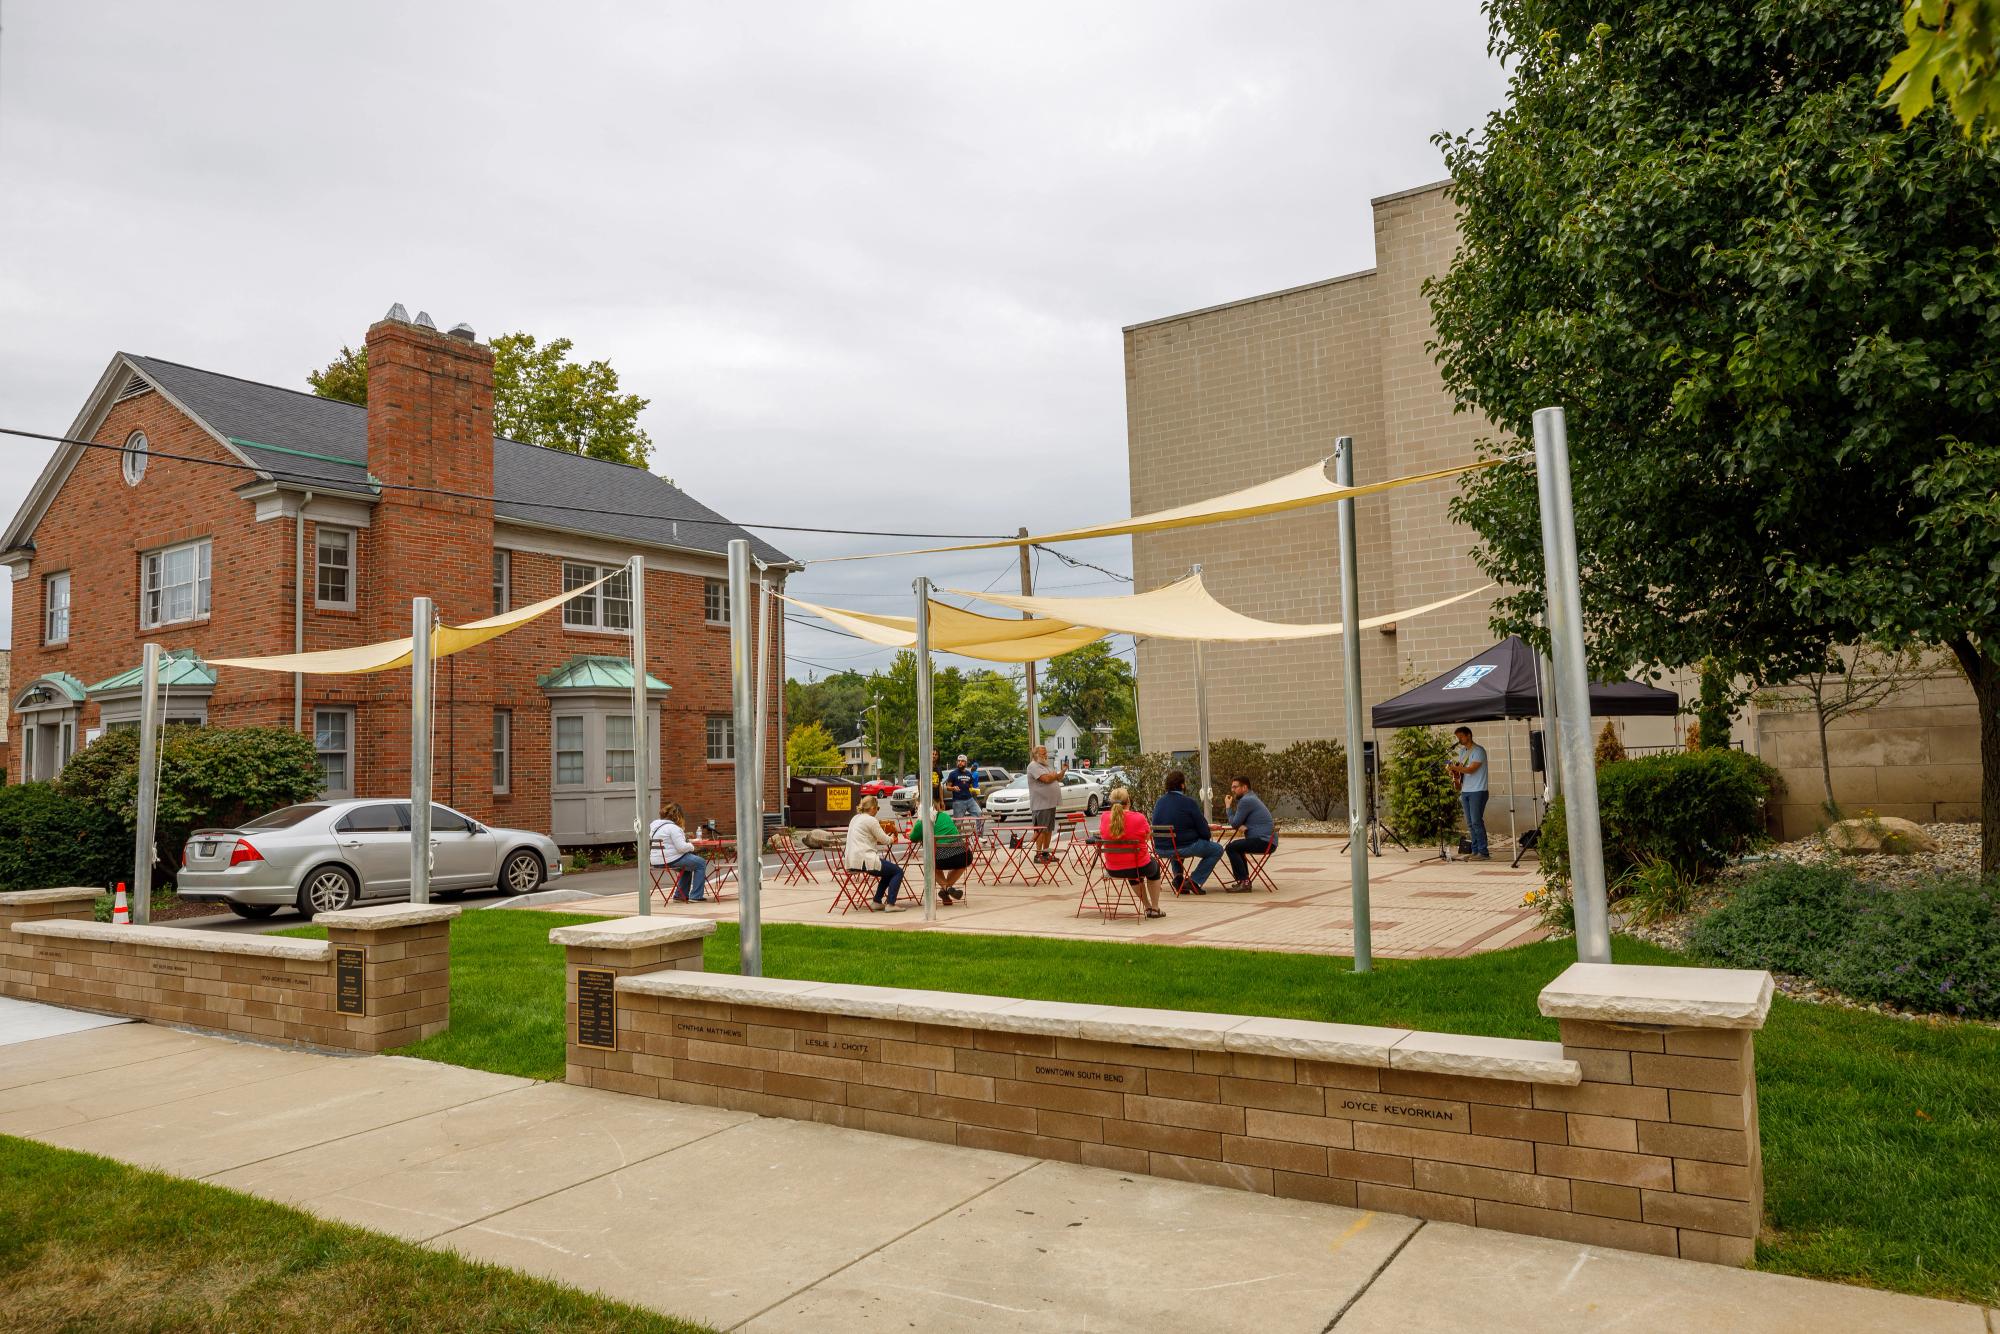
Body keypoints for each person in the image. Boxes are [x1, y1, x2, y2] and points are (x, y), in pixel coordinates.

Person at [1150, 769, 1224, 894]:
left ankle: (1178, 878)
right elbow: (1203, 830)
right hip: (1183, 846)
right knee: (1217, 849)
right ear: (1182, 785)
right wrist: (1205, 834)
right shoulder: (1188, 802)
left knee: (1175, 843)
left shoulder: (1159, 802)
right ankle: (1194, 881)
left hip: (1160, 848)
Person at [1098, 786, 1165, 919]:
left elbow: (1102, 834)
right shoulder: (1139, 817)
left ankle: (1147, 906)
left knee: (1131, 870)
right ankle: (1155, 908)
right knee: (1154, 868)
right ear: (1128, 801)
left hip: (1114, 869)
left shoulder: (1105, 817)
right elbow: (1147, 836)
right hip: (1139, 865)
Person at [910, 785, 972, 904]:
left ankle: (946, 888)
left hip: (940, 858)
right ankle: (946, 891)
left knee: (930, 866)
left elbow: (912, 838)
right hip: (963, 855)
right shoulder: (945, 816)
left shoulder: (922, 822)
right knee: (960, 864)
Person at [843, 795, 907, 911]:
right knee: (898, 872)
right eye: (877, 808)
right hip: (865, 860)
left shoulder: (855, 818)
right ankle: (891, 904)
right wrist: (893, 837)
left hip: (851, 860)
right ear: (872, 808)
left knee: (888, 872)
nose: (877, 811)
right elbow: (885, 840)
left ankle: (877, 901)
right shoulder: (871, 820)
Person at [1221, 776, 1275, 891]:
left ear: (1245, 787)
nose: (1232, 790)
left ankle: (1244, 881)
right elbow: (1238, 823)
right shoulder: (1251, 798)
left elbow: (1234, 823)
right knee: (1238, 847)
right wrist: (1242, 825)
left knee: (1231, 847)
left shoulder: (1246, 800)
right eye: (1232, 787)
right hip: (1268, 841)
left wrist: (1228, 807)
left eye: (1235, 787)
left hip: (1263, 841)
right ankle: (1243, 880)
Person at [647, 801, 709, 902]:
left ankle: (680, 895)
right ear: (678, 816)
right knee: (700, 862)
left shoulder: (655, 827)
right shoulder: (673, 828)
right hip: (670, 859)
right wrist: (691, 846)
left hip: (656, 860)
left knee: (687, 868)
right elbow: (681, 848)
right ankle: (696, 896)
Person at [1449, 725, 1490, 860]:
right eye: (1457, 737)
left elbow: (1471, 769)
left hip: (1478, 791)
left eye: (1461, 736)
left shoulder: (1479, 751)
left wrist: (1455, 767)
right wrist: (1454, 773)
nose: (1459, 739)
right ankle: (1475, 850)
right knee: (1471, 823)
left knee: (1477, 821)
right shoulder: (1462, 752)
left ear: (1468, 735)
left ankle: (1483, 852)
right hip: (1466, 790)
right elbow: (1462, 770)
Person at [1025, 743, 1067, 863]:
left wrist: (1063, 771)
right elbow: (1046, 779)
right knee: (1041, 830)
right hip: (1040, 804)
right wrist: (1052, 776)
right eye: (1043, 753)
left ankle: (1046, 853)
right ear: (1036, 754)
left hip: (1050, 803)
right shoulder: (1033, 766)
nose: (1045, 755)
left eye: (1046, 753)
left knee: (1048, 829)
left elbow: (1057, 778)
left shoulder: (1047, 766)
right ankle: (1038, 854)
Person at [945, 755, 981, 822]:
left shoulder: (969, 774)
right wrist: (953, 788)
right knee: (958, 822)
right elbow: (947, 787)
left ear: (966, 763)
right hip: (958, 801)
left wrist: (974, 791)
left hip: (970, 800)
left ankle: (979, 832)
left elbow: (970, 787)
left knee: (979, 814)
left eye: (962, 761)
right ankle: (957, 833)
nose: (960, 762)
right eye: (958, 761)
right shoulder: (953, 774)